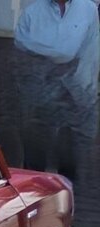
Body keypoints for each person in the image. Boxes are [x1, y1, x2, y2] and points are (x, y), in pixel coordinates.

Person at [15, 0, 100, 183]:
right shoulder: (32, 13)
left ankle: (65, 194)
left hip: (76, 94)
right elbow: (20, 42)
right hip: (40, 96)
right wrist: (59, 56)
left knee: (69, 163)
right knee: (35, 160)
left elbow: (77, 52)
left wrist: (41, 51)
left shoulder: (88, 9)